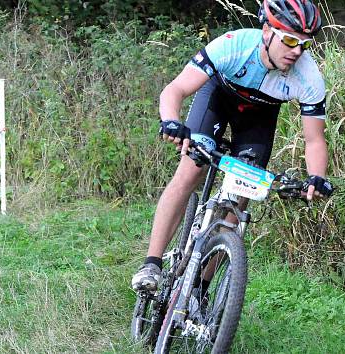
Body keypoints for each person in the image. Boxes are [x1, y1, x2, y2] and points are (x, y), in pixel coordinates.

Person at [132, 0, 334, 292]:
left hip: (259, 117)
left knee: (242, 191)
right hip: (218, 99)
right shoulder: (233, 45)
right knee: (191, 169)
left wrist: (317, 177)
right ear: (267, 31)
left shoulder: (309, 77)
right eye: (290, 40)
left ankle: (201, 284)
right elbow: (175, 89)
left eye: (304, 44)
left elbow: (314, 139)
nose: (296, 51)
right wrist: (171, 121)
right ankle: (151, 264)